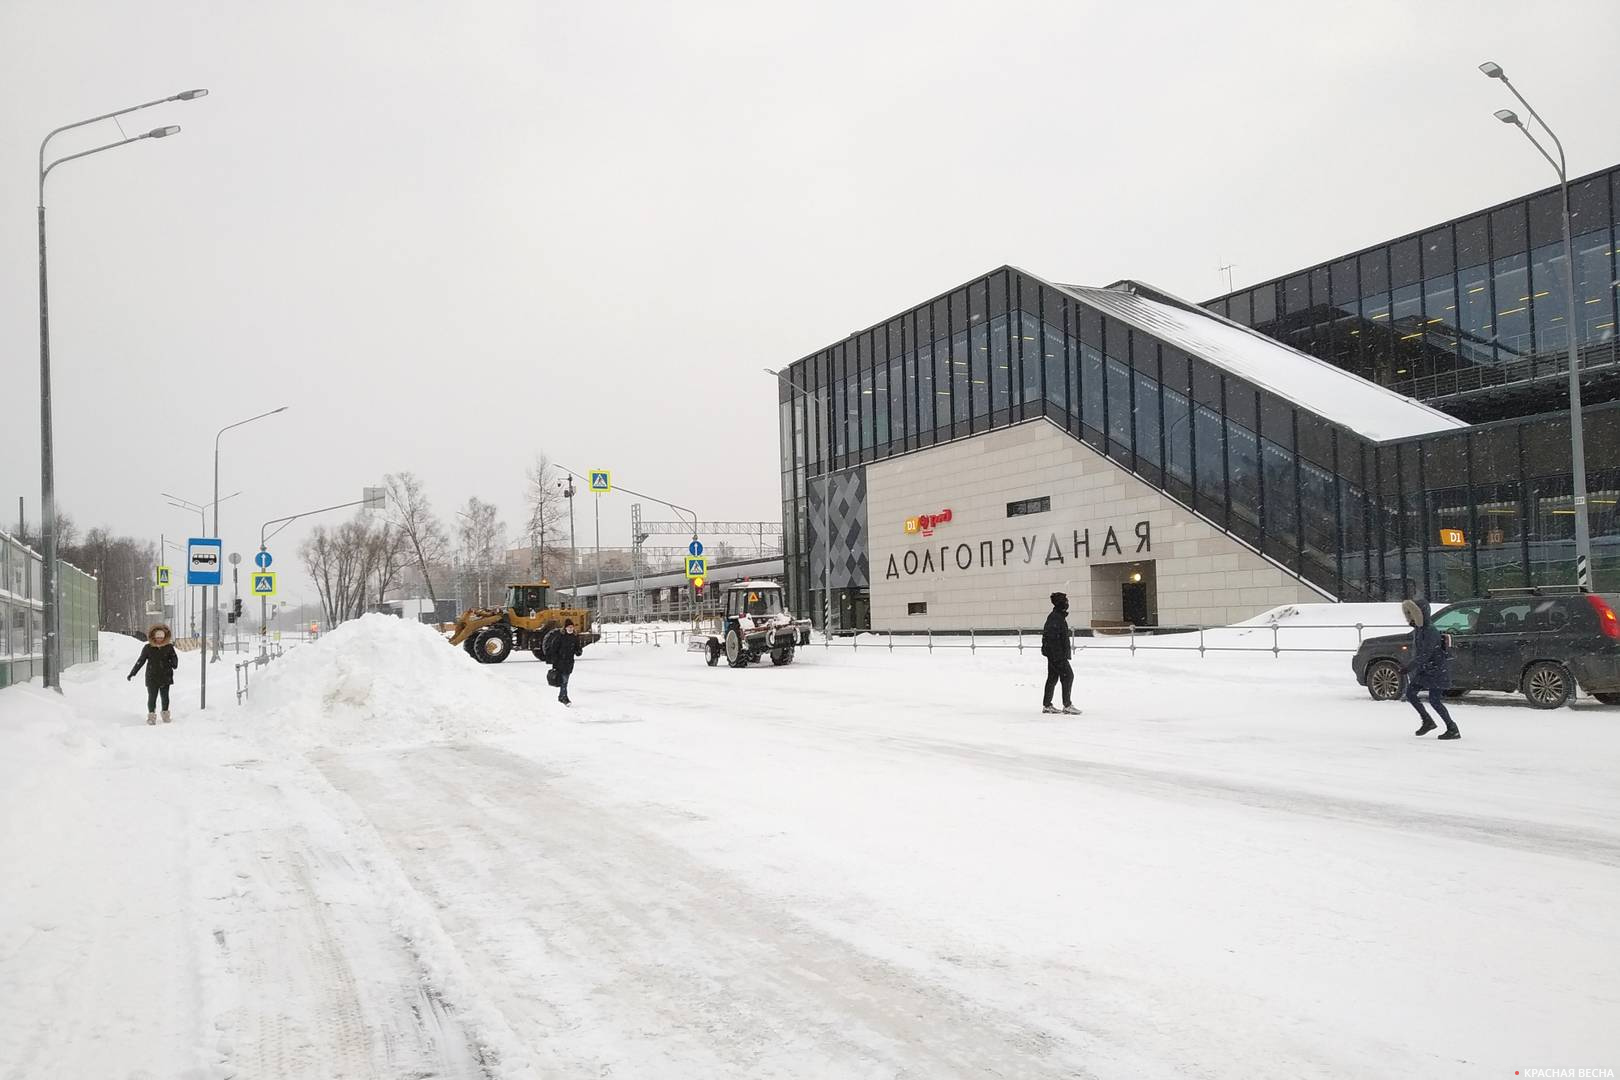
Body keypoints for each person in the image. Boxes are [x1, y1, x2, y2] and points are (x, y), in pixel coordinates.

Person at [1400, 598, 1460, 741]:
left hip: (1436, 670)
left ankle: (1452, 728)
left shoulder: (1430, 631)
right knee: (1410, 693)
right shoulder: (1419, 630)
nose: (1410, 618)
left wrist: (1409, 667)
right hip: (1426, 670)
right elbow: (1420, 653)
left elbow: (1425, 654)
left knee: (1434, 700)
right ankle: (1427, 721)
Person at [128, 623, 180, 725]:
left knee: (165, 696)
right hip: (152, 676)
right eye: (158, 637)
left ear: (165, 637)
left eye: (161, 637)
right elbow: (141, 661)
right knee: (152, 697)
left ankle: (165, 714)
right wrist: (132, 673)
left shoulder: (169, 647)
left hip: (165, 676)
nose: (160, 639)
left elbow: (174, 658)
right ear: (154, 636)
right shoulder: (148, 648)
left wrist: (174, 663)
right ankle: (151, 716)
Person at [1041, 592, 1080, 715]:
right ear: (1061, 603)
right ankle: (1067, 705)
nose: (1067, 603)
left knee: (1053, 677)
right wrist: (1058, 656)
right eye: (1066, 601)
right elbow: (1052, 639)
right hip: (1057, 655)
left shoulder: (1057, 617)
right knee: (1068, 676)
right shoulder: (1055, 618)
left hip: (1054, 654)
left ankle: (1047, 705)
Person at [546, 619, 583, 706]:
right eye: (569, 627)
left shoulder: (574, 637)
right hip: (560, 662)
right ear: (565, 628)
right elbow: (553, 649)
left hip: (569, 663)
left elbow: (577, 648)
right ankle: (564, 698)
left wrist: (579, 651)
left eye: (572, 627)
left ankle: (561, 696)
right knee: (564, 681)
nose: (570, 628)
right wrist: (554, 661)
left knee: (565, 680)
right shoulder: (560, 637)